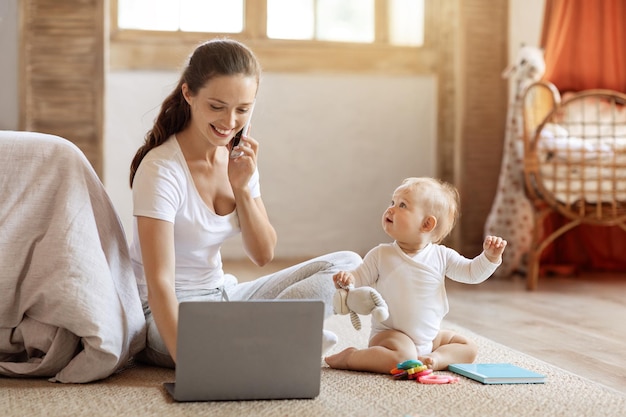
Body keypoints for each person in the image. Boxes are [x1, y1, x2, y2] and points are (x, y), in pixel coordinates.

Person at [128, 38, 361, 368]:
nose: (229, 122)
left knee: (346, 264)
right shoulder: (161, 170)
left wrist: (243, 188)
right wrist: (193, 365)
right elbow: (160, 285)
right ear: (188, 94)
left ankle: (263, 339)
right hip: (169, 312)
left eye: (243, 109)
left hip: (225, 296)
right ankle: (278, 339)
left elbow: (262, 254)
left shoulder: (238, 160)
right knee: (208, 334)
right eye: (217, 106)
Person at [325, 177, 507, 373]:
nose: (391, 209)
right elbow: (359, 278)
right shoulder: (381, 254)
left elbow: (472, 273)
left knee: (469, 348)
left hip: (430, 337)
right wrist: (348, 279)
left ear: (427, 224)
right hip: (391, 336)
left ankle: (434, 359)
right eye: (392, 202)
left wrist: (489, 257)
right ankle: (351, 358)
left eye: (402, 205)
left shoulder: (442, 256)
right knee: (403, 358)